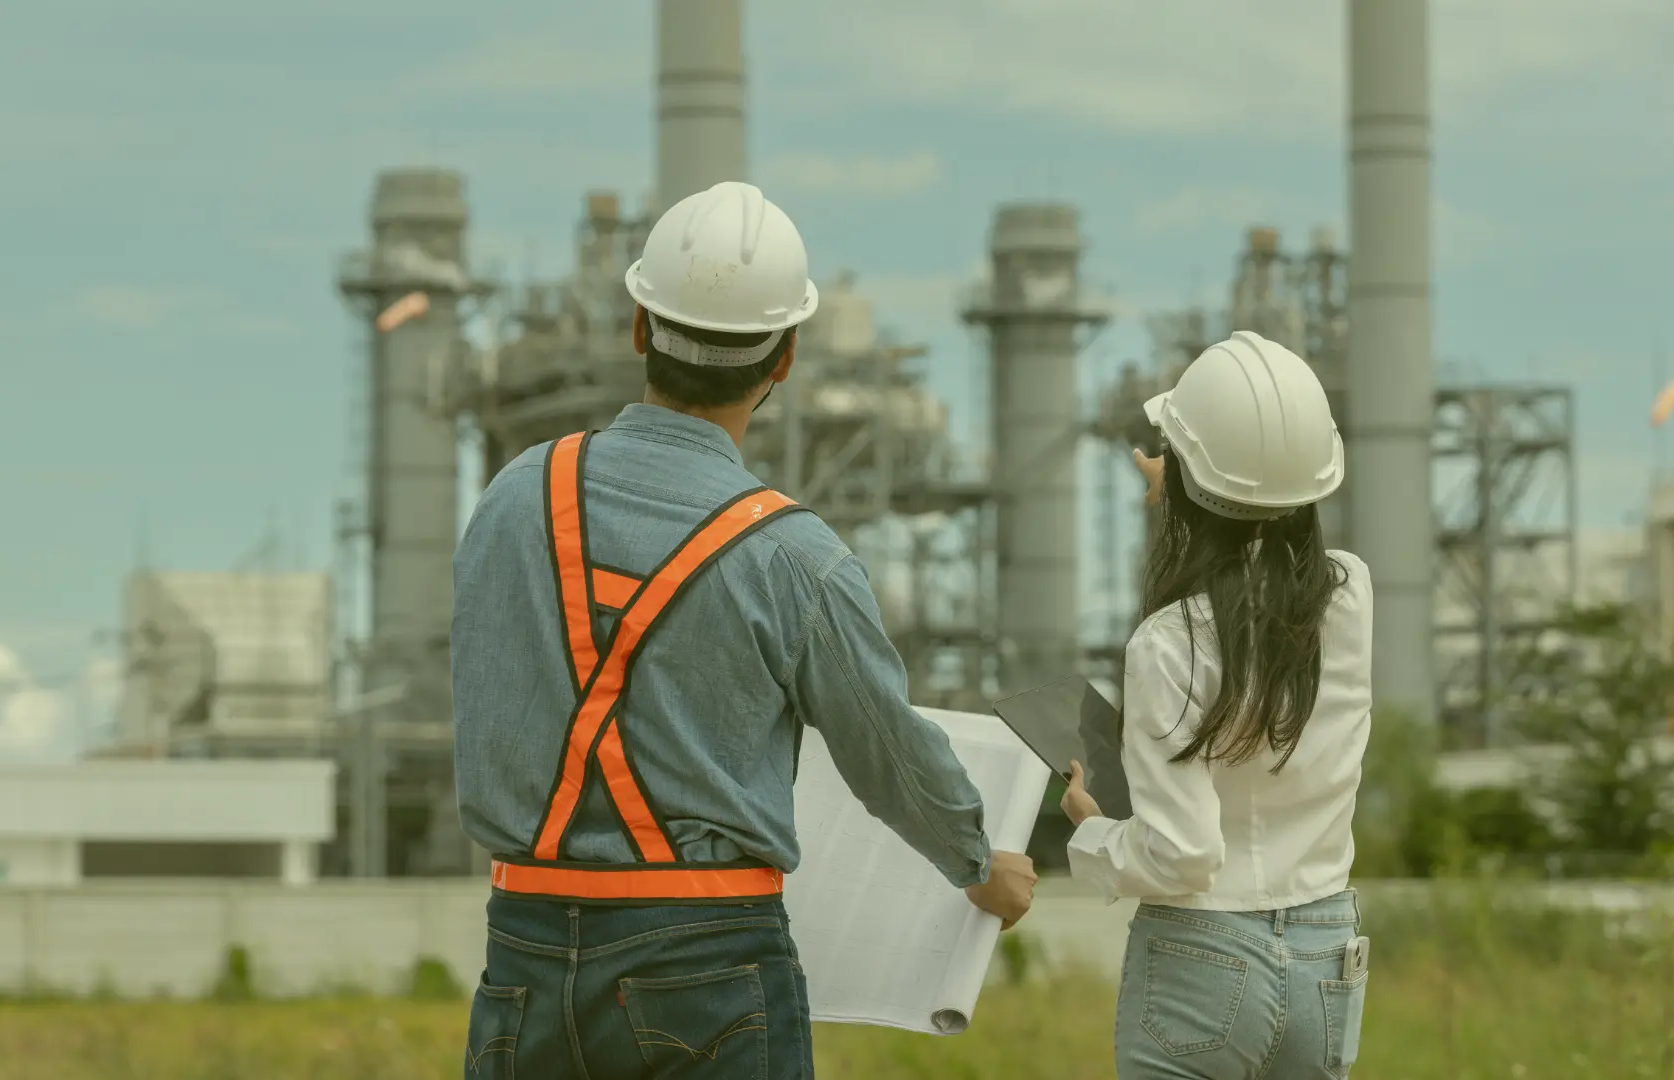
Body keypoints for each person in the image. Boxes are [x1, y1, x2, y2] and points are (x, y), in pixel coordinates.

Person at [451, 180, 1039, 1080]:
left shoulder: (511, 497)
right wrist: (975, 862)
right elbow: (886, 751)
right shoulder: (795, 557)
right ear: (786, 358)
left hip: (524, 954)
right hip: (705, 964)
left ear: (640, 325)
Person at [1062, 329, 1373, 1080]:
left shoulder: (1167, 645)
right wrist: (1194, 486)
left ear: (1188, 484)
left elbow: (1186, 854)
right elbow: (1255, 510)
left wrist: (1094, 834)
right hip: (1326, 951)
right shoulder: (1351, 596)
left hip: (1204, 956)